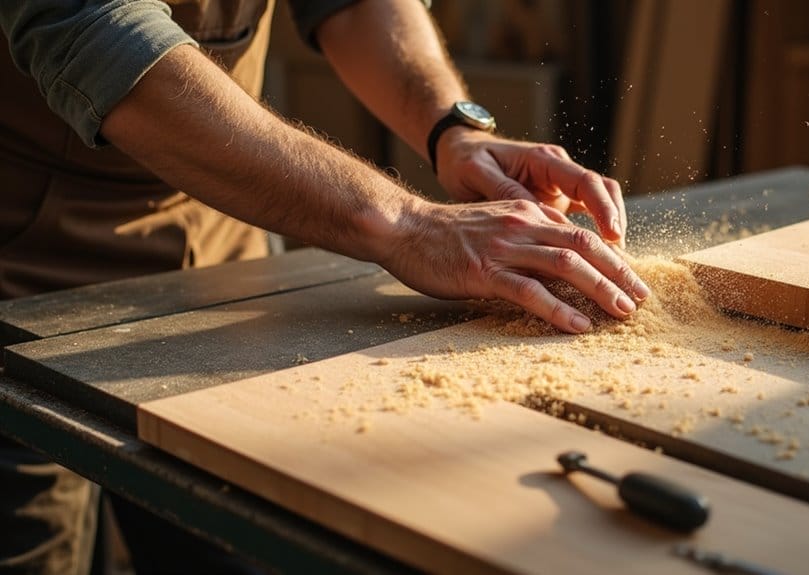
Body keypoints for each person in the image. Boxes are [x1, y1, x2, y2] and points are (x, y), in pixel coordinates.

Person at [0, 0, 649, 573]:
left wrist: (454, 129)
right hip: (24, 267)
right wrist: (407, 223)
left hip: (220, 262)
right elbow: (92, 31)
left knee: (236, 543)